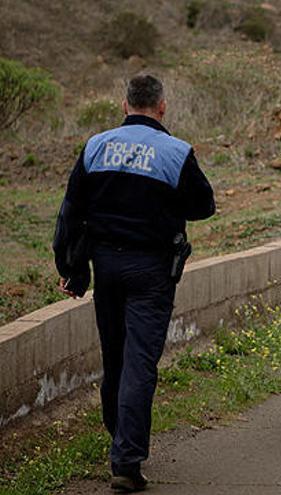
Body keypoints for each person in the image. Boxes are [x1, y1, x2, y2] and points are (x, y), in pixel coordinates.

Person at [53, 74, 215, 491]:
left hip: (105, 267)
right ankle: (126, 461)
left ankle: (119, 440)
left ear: (124, 106)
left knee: (116, 360)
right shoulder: (176, 152)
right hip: (151, 271)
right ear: (161, 107)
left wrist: (70, 268)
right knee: (140, 364)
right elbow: (204, 206)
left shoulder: (96, 146)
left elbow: (70, 212)